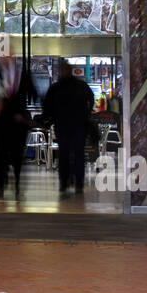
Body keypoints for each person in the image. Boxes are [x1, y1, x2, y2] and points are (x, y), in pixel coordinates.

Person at [0, 56, 36, 199]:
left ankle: (13, 186)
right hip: (4, 124)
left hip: (15, 124)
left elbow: (33, 93)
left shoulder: (19, 76)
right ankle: (3, 186)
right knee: (4, 156)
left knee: (12, 157)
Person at [42, 61, 96, 197]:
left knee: (64, 155)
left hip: (63, 126)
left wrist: (52, 117)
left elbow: (47, 105)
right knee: (77, 155)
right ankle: (77, 183)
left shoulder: (56, 88)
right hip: (78, 125)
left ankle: (65, 182)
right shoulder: (80, 86)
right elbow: (91, 99)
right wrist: (87, 113)